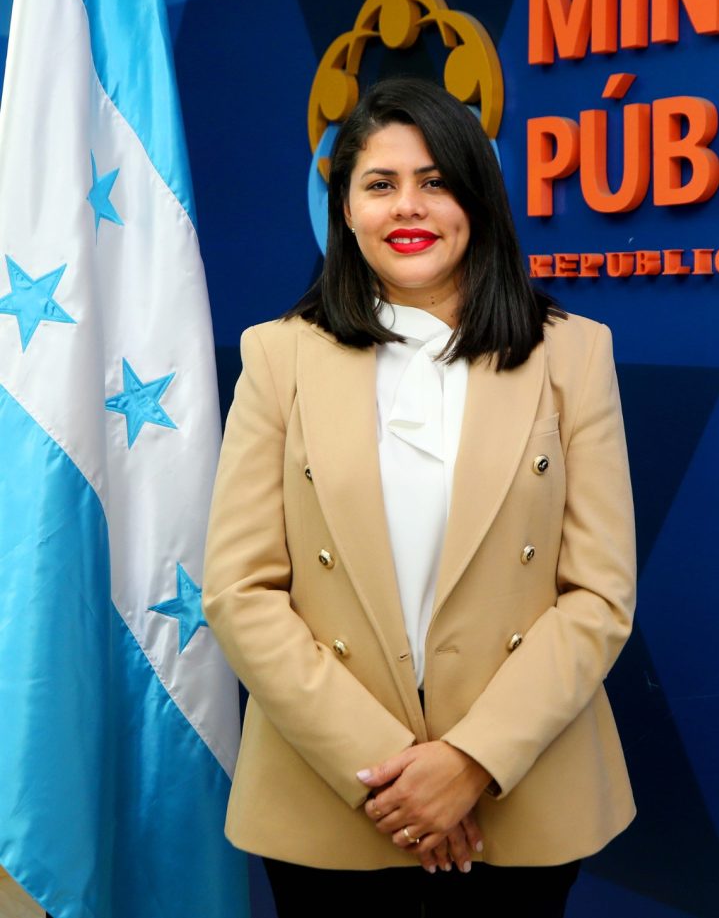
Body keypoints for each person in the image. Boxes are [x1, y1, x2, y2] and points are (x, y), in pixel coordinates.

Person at [202, 76, 636, 917]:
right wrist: (391, 773)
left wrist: (470, 761)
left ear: (477, 199)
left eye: (435, 181)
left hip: (521, 793)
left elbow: (599, 593)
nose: (409, 206)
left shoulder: (575, 354)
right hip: (332, 796)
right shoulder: (278, 357)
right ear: (346, 209)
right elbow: (239, 589)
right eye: (381, 183)